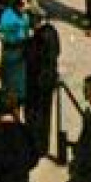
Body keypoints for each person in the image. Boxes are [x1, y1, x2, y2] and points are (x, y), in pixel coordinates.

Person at [25, 11, 61, 161]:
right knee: (46, 116)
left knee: (34, 116)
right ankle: (43, 147)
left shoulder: (39, 37)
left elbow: (31, 57)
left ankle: (35, 146)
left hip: (37, 82)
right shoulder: (52, 32)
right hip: (49, 79)